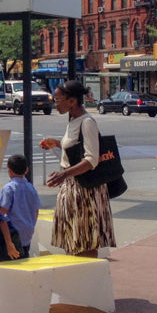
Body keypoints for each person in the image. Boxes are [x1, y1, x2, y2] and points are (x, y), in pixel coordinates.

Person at [42, 80, 115, 257]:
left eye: (58, 100)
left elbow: (91, 159)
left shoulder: (87, 122)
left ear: (72, 101)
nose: (55, 104)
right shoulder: (74, 120)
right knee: (73, 238)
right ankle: (77, 278)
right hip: (73, 187)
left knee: (85, 240)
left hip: (85, 190)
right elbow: (77, 149)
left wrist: (64, 174)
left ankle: (87, 280)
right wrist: (59, 144)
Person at [0, 154, 41, 256]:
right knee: (25, 256)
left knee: (14, 261)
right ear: (27, 170)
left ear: (9, 171)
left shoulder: (8, 189)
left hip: (13, 233)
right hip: (27, 233)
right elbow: (36, 211)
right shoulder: (31, 188)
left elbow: (2, 212)